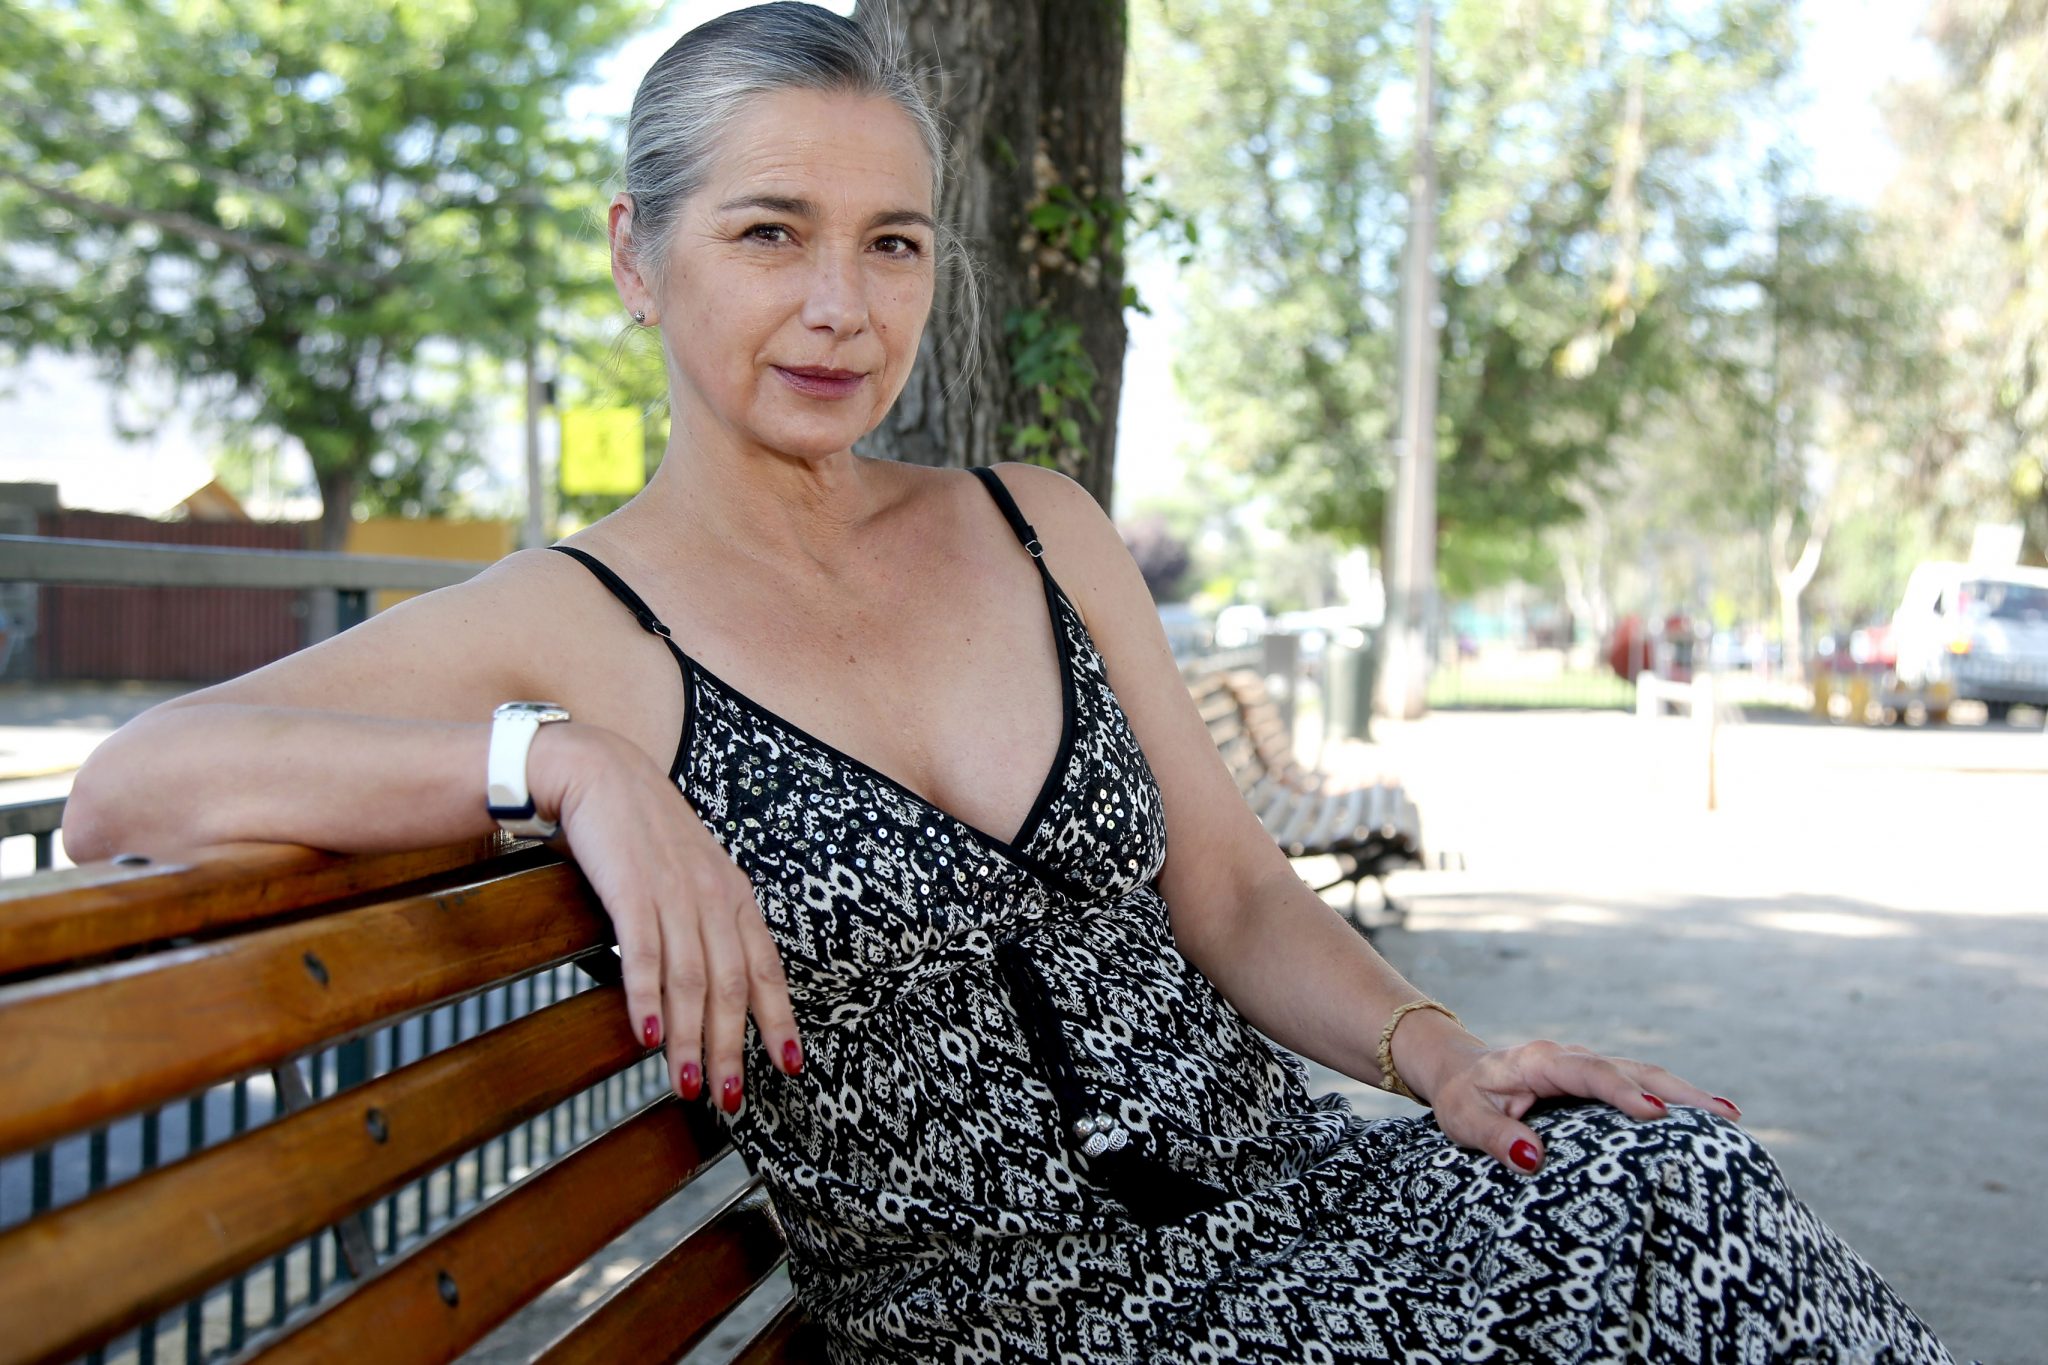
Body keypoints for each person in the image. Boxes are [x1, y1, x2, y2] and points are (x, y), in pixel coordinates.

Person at [64, 6, 1961, 1362]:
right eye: (770, 233)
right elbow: (129, 786)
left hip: (1303, 1209)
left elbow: (1234, 890)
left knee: (1680, 1182)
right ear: (638, 258)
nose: (843, 305)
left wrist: (1442, 1054)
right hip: (1024, 1316)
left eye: (891, 243)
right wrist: (565, 765)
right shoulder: (577, 622)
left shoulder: (1034, 522)